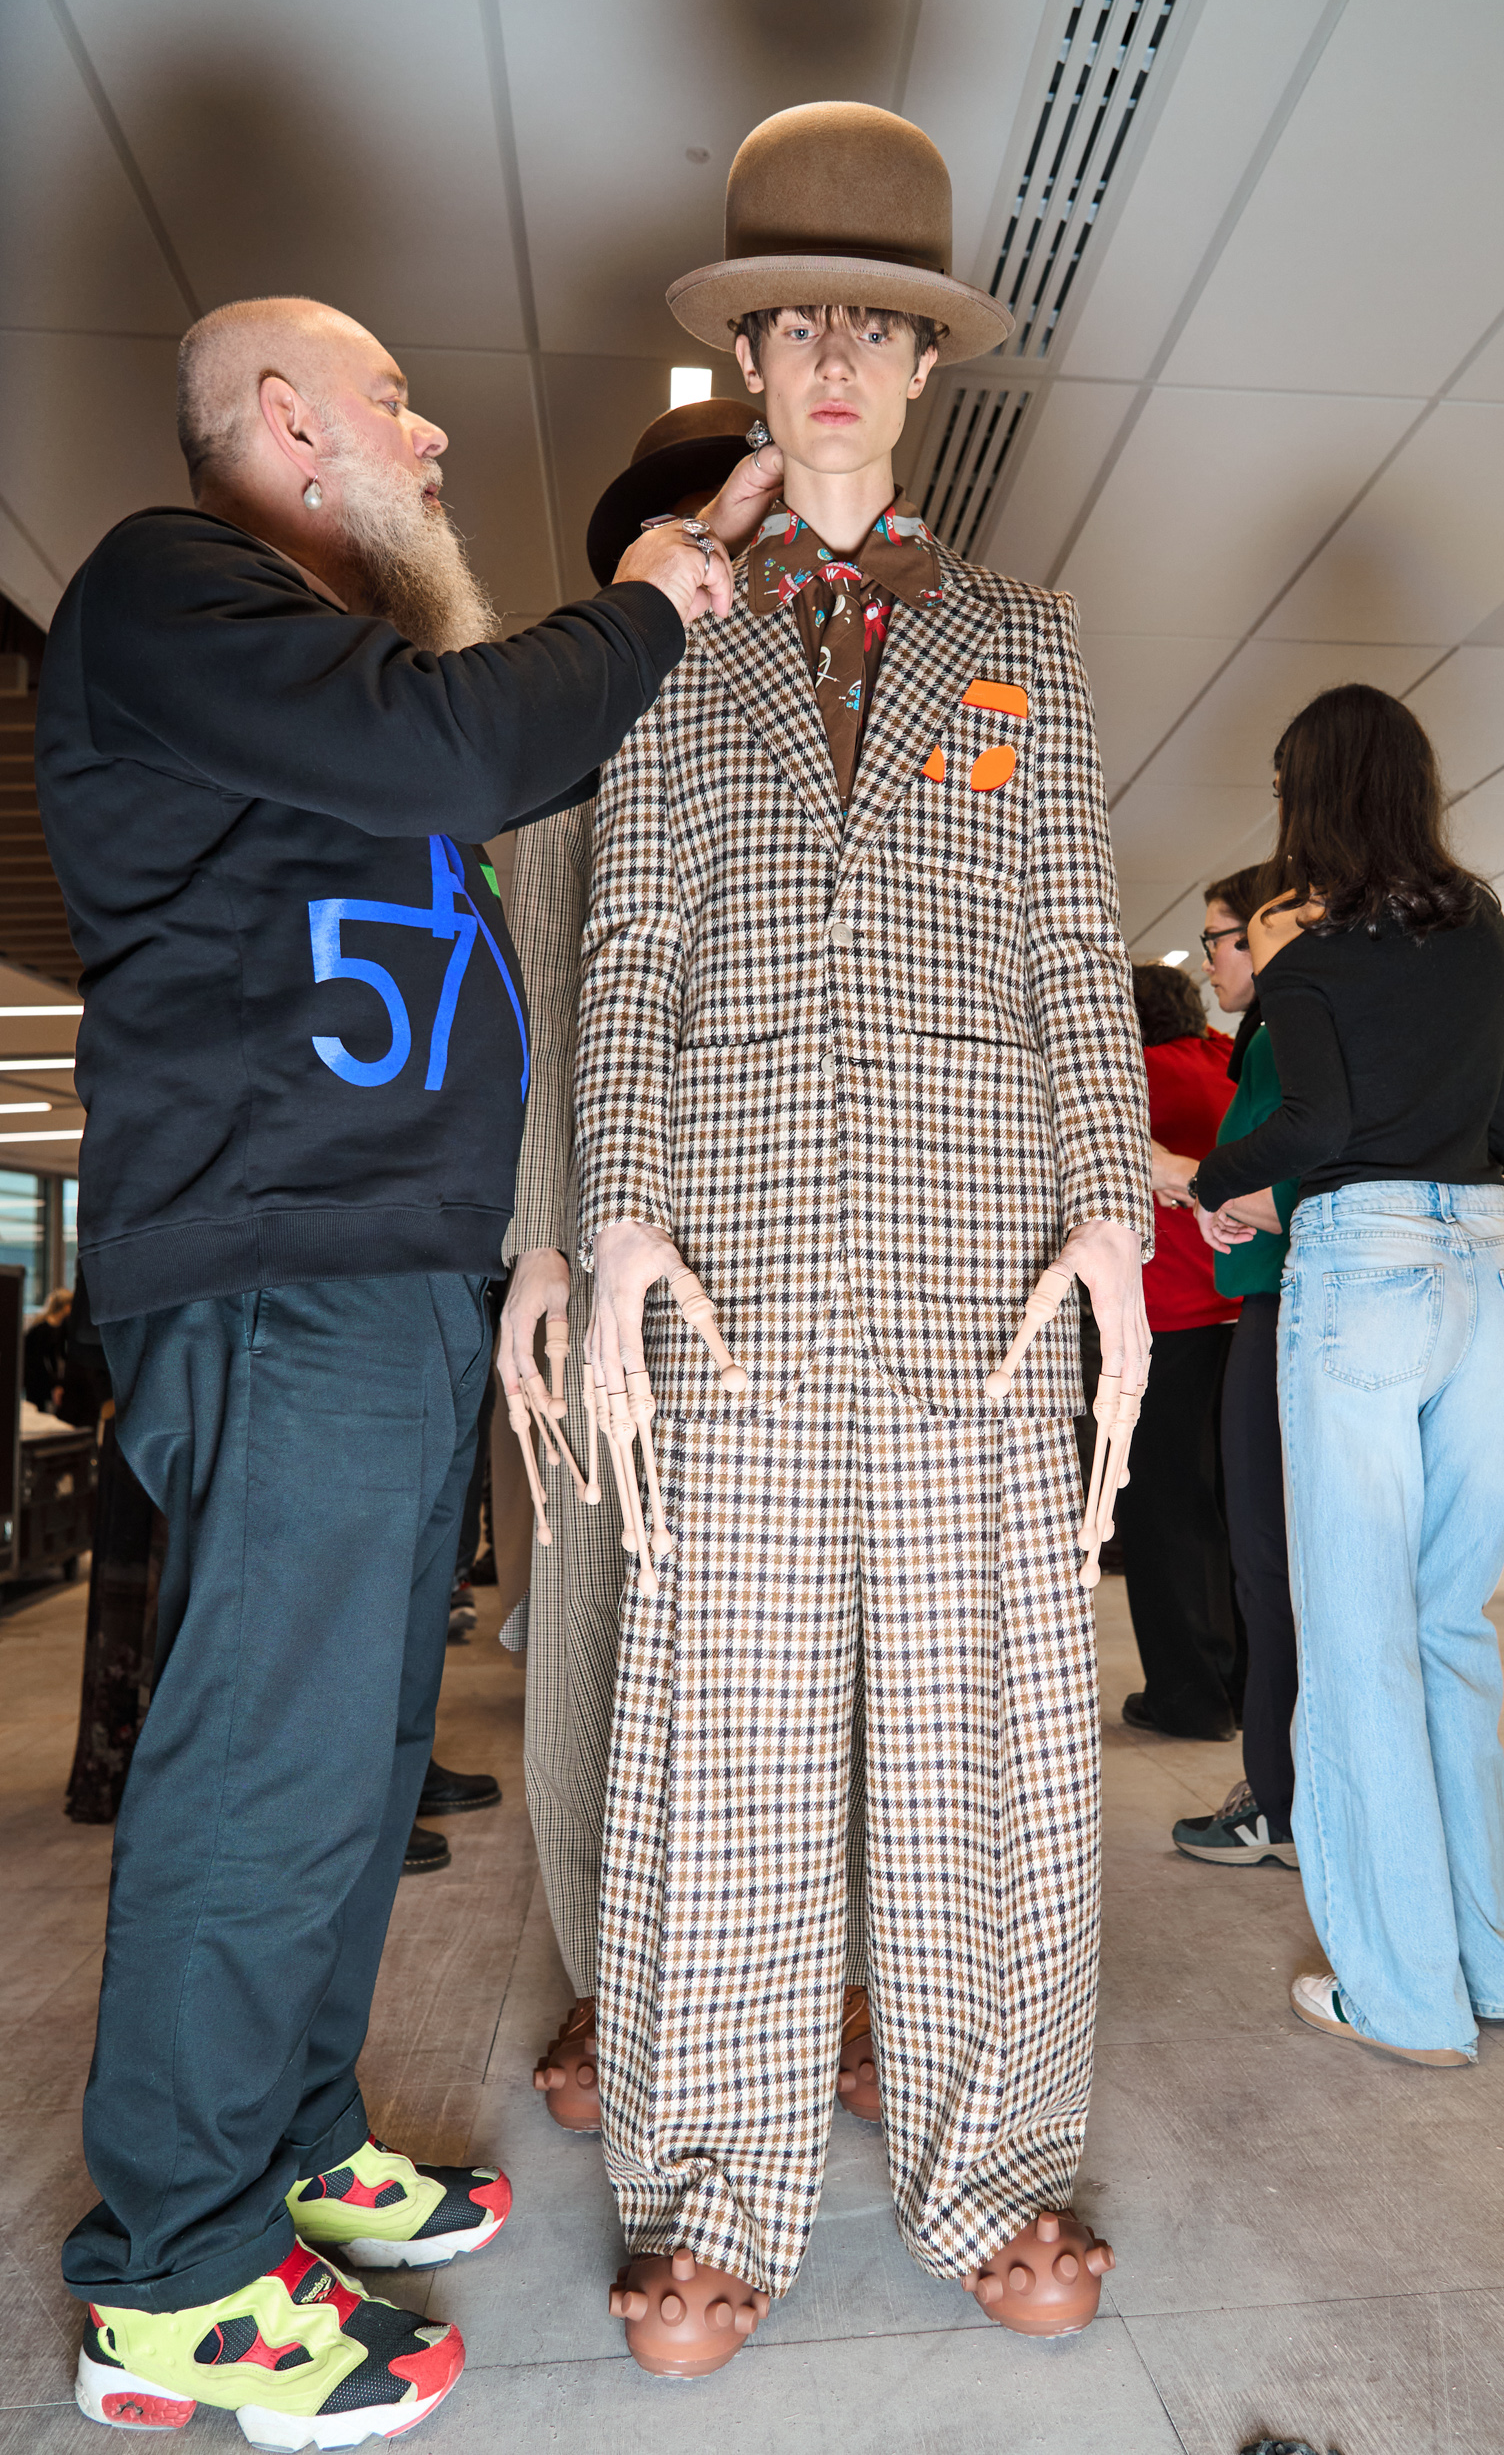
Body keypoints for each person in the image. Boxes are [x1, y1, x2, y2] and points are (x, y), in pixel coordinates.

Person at [34, 291, 765, 2446]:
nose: (428, 435)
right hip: (284, 1264)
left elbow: (436, 776)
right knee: (268, 1767)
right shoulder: (179, 586)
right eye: (392, 401)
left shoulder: (320, 663)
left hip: (382, 1273)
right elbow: (471, 746)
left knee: (348, 1767)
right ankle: (173, 2269)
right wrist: (633, 607)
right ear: (283, 417)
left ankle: (279, 2153)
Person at [575, 102, 1146, 2375]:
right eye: (790, 323)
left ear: (921, 370)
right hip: (727, 1295)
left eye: (869, 329)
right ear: (753, 361)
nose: (827, 360)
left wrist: (1109, 1216)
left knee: (985, 1749)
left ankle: (987, 2163)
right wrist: (615, 1214)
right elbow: (626, 957)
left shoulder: (1024, 642)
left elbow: (1074, 951)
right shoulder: (662, 644)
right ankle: (712, 2197)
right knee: (721, 1754)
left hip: (982, 1304)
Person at [490, 397, 887, 2137]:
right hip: (620, 1267)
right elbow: (543, 1013)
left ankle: (854, 1977)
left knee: (848, 1635)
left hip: (825, 1273)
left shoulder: (859, 711)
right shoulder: (568, 738)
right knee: (596, 1617)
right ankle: (613, 1972)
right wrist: (541, 1246)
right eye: (730, 536)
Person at [1194, 681, 1504, 2069]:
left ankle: (1398, 1993)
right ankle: (1488, 1962)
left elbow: (1317, 1121)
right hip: (1487, 1268)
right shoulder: (1486, 929)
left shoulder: (1312, 963)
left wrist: (1225, 1182)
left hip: (1364, 1267)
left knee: (1351, 1641)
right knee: (1447, 1626)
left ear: (1307, 801)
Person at [1166, 867, 1301, 1869]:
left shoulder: (1290, 1032)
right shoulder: (1252, 1043)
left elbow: (1300, 1186)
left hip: (1286, 1304)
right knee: (1260, 1556)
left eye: (1219, 936)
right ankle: (1280, 1786)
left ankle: (1280, 1800)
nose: (1212, 955)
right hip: (1256, 1298)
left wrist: (1183, 1176)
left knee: (1268, 1557)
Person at [1107, 961, 1241, 1742]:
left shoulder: (1134, 1080)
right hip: (1243, 1316)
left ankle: (1188, 1696)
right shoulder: (1229, 1057)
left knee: (1163, 1513)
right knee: (1232, 1510)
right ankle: (1239, 1681)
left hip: (1170, 1319)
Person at [23, 1284, 73, 1412]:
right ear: (65, 1306)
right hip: (36, 1377)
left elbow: (60, 1355)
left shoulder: (63, 1327)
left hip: (49, 1377)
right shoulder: (40, 1329)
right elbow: (37, 1359)